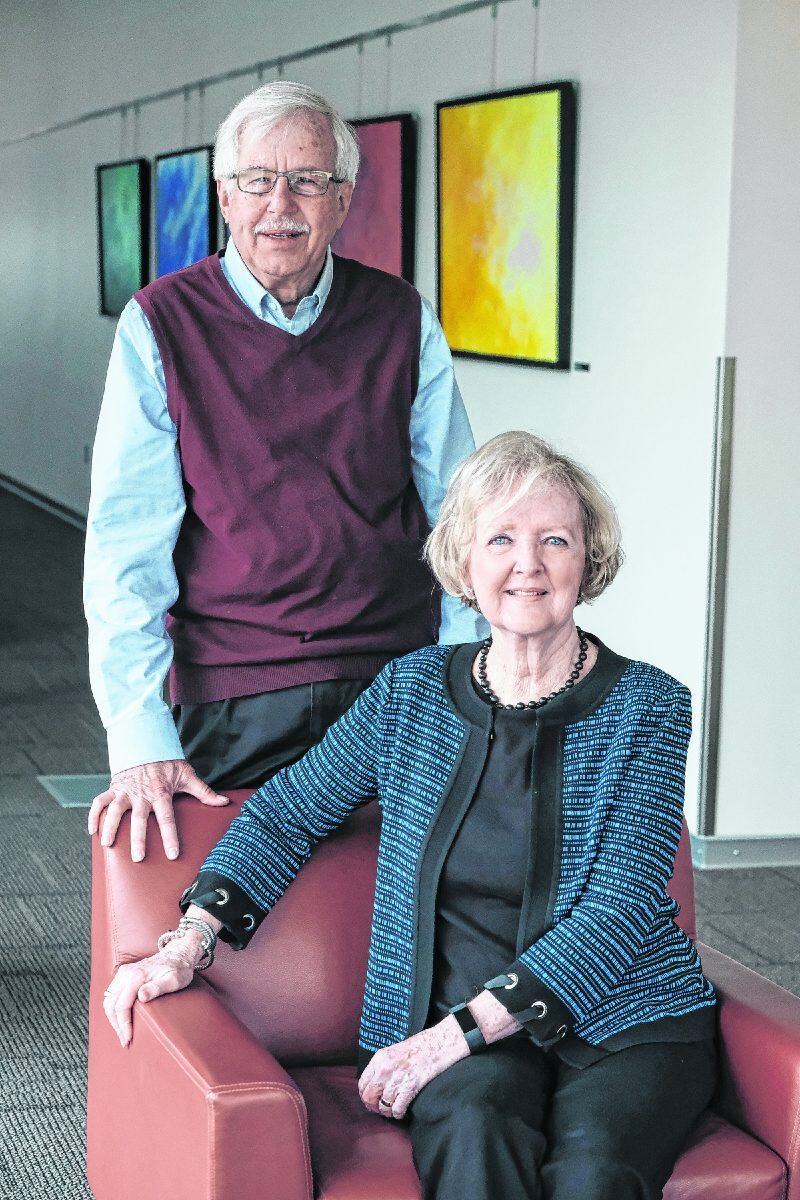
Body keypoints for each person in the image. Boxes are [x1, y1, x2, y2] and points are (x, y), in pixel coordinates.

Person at [102, 432, 717, 1200]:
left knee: (594, 1174)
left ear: (587, 563)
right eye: (501, 539)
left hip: (625, 1017)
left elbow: (619, 910)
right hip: (457, 1022)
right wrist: (189, 944)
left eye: (554, 539)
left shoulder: (649, 706)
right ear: (466, 563)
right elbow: (287, 814)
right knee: (474, 1136)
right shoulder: (411, 693)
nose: (527, 563)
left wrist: (450, 1039)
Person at [84, 81, 483, 864]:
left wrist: (462, 680)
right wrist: (138, 734)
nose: (281, 205)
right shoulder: (161, 324)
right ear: (224, 198)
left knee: (401, 916)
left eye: (307, 180)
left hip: (393, 677)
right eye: (258, 181)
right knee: (218, 916)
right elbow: (127, 547)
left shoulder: (403, 317)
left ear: (342, 201)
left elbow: (461, 514)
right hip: (230, 689)